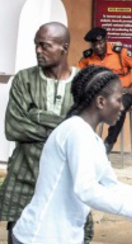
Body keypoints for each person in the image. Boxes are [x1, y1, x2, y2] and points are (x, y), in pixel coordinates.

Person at [10, 65, 132, 244]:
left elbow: (110, 187)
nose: (122, 108)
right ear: (101, 101)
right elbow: (87, 189)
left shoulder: (91, 138)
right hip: (40, 237)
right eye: (119, 100)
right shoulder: (75, 131)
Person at [0, 22, 96, 244]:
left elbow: (83, 132)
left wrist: (35, 115)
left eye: (44, 46)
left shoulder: (85, 83)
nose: (38, 51)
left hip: (67, 182)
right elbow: (13, 127)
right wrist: (64, 127)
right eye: (36, 45)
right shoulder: (23, 80)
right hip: (25, 179)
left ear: (64, 47)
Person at [78, 27, 132, 153]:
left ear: (106, 40)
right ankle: (84, 143)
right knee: (80, 108)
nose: (98, 47)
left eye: (100, 43)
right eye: (94, 44)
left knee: (119, 106)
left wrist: (131, 88)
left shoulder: (121, 53)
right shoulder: (88, 58)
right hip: (98, 96)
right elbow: (79, 77)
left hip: (122, 94)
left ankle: (108, 144)